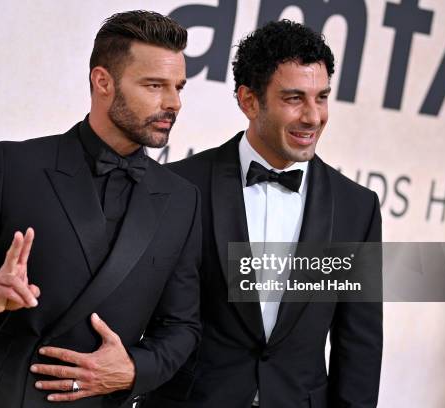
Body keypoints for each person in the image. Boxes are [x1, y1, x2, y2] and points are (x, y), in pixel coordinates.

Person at [0, 10, 201, 408]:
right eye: (154, 85)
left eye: (178, 87)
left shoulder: (181, 199)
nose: (173, 103)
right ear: (103, 82)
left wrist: (134, 369)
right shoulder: (13, 166)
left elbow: (181, 325)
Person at [144, 20, 383, 408]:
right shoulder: (179, 186)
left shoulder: (358, 208)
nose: (313, 117)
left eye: (321, 97)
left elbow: (359, 343)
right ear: (249, 101)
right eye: (294, 99)